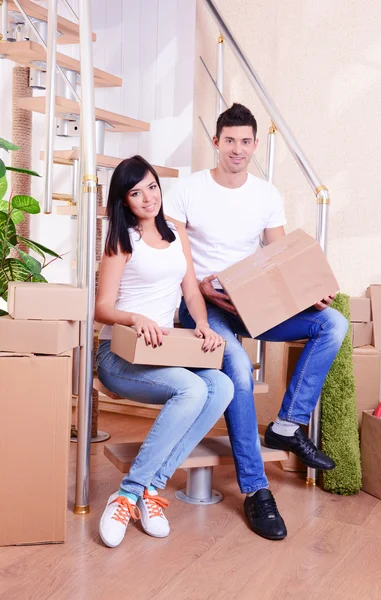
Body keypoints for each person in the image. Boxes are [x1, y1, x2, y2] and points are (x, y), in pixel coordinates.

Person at [163, 103, 348, 541]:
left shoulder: (266, 194)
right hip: (203, 306)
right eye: (230, 140)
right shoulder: (186, 191)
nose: (238, 149)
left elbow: (281, 262)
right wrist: (203, 292)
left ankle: (286, 426)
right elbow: (177, 256)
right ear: (216, 142)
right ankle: (256, 490)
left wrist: (310, 295)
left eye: (246, 141)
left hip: (253, 307)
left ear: (255, 145)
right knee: (241, 372)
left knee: (333, 323)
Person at [95, 155, 234, 548]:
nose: (147, 198)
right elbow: (100, 307)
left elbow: (191, 291)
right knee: (192, 390)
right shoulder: (121, 241)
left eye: (152, 187)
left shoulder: (176, 232)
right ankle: (127, 493)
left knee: (221, 386)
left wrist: (203, 325)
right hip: (118, 354)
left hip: (163, 352)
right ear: (124, 201)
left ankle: (150, 488)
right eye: (136, 193)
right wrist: (133, 317)